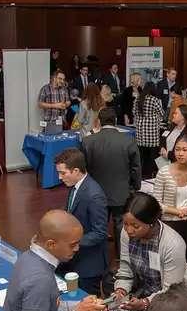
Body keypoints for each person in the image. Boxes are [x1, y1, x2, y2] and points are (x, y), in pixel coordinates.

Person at [112, 192, 187, 311]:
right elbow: (126, 270)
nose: (128, 230)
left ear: (151, 223)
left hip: (176, 300)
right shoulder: (126, 233)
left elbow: (172, 291)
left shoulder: (172, 244)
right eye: (125, 223)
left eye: (135, 226)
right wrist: (121, 290)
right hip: (148, 292)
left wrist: (145, 303)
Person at [82, 107, 142, 249]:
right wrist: (134, 187)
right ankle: (121, 259)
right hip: (121, 192)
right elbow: (136, 168)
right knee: (120, 226)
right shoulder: (128, 141)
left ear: (99, 122)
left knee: (97, 227)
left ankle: (98, 257)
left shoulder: (88, 141)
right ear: (115, 121)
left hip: (95, 192)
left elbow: (84, 169)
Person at [54, 148, 109, 295]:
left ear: (76, 171)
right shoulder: (75, 187)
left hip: (89, 265)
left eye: (63, 173)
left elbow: (100, 233)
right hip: (75, 260)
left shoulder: (94, 195)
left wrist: (71, 243)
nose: (59, 177)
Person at [153, 133, 187, 272]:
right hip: (169, 224)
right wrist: (179, 211)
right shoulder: (163, 173)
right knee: (170, 266)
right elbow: (156, 203)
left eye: (185, 149)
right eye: (177, 149)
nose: (180, 153)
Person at [134, 82, 166, 178]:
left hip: (140, 131)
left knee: (142, 155)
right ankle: (150, 174)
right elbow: (162, 113)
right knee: (152, 156)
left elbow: (134, 113)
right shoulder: (154, 100)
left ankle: (142, 174)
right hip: (152, 132)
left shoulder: (138, 99)